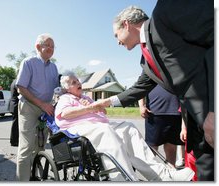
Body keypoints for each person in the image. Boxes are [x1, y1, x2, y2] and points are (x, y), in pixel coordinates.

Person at [91, 1, 214, 181]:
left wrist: (214, 110)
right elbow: (140, 87)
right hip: (197, 121)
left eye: (116, 35)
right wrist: (107, 102)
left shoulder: (166, 11)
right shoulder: (146, 60)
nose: (117, 41)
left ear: (126, 23)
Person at [54, 72, 194, 181]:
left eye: (78, 80)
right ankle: (125, 179)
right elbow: (64, 114)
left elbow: (103, 111)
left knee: (128, 126)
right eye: (73, 82)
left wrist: (95, 107)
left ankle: (162, 175)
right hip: (80, 127)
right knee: (105, 131)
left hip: (100, 124)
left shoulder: (86, 97)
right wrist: (89, 109)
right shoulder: (65, 98)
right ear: (67, 89)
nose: (78, 82)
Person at [15, 33, 59, 181]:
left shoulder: (54, 67)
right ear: (38, 47)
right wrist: (42, 104)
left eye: (53, 46)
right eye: (48, 45)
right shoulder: (28, 62)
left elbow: (56, 90)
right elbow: (21, 87)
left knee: (40, 147)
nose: (51, 49)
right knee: (26, 148)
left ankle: (34, 178)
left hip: (45, 110)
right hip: (28, 107)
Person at [138, 85, 184, 166]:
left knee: (171, 146)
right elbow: (141, 87)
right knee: (152, 147)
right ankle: (150, 172)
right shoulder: (150, 72)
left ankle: (171, 171)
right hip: (154, 112)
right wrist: (141, 105)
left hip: (175, 112)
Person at [9, 78, 19, 147]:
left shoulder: (13, 81)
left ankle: (14, 140)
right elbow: (20, 91)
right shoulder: (17, 82)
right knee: (16, 124)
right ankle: (14, 141)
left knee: (15, 123)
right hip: (16, 105)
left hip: (13, 104)